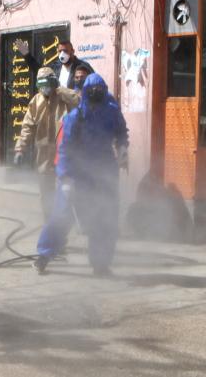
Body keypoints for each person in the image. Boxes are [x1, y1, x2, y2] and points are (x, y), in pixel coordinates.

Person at [34, 73, 128, 277]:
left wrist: (122, 148)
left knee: (104, 218)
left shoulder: (112, 112)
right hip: (75, 173)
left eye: (99, 92)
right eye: (91, 92)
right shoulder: (75, 117)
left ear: (103, 92)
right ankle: (44, 255)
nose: (95, 96)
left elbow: (121, 132)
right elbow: (65, 149)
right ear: (85, 93)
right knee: (61, 214)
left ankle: (101, 264)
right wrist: (66, 178)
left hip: (102, 172)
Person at [14, 67, 80, 220]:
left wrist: (59, 89)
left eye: (48, 84)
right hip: (44, 155)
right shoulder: (36, 102)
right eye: (41, 85)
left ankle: (65, 224)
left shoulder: (63, 97)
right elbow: (27, 127)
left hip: (63, 154)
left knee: (64, 191)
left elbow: (78, 100)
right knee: (45, 193)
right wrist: (20, 149)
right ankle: (49, 226)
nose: (45, 88)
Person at [19, 40, 94, 90]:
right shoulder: (55, 67)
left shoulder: (83, 67)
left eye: (65, 51)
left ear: (72, 51)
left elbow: (94, 85)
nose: (62, 54)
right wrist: (27, 55)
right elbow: (40, 71)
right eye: (60, 51)